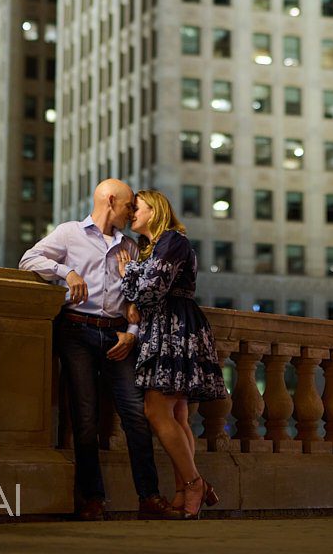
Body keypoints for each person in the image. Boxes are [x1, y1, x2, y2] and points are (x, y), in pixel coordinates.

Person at [19, 178, 173, 521]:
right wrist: (66, 272)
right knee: (85, 420)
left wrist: (132, 332)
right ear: (111, 201)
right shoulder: (69, 233)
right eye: (129, 205)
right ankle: (92, 499)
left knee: (136, 416)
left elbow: (137, 302)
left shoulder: (129, 248)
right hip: (76, 333)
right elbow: (28, 260)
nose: (132, 211)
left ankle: (149, 497)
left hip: (118, 339)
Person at [115, 189, 228, 520]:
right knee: (177, 414)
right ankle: (184, 490)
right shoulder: (156, 246)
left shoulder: (172, 240)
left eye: (137, 207)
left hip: (174, 328)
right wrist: (138, 286)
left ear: (155, 209)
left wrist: (129, 274)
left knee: (156, 410)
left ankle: (194, 483)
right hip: (165, 328)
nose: (131, 212)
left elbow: (151, 290)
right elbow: (147, 292)